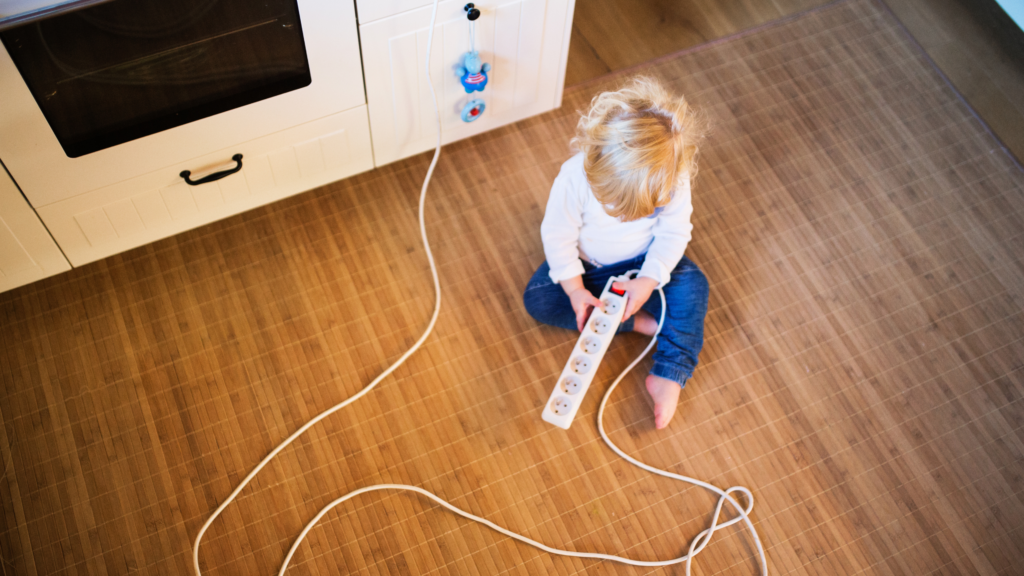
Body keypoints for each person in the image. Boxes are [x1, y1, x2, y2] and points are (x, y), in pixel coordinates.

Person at [523, 76, 709, 429]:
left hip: (643, 262)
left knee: (693, 286)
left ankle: (669, 374)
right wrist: (576, 290)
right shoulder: (575, 177)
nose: (628, 219)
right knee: (539, 299)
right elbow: (558, 235)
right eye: (616, 208)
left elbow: (673, 232)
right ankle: (636, 323)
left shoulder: (673, 177)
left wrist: (649, 279)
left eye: (646, 209)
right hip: (588, 267)